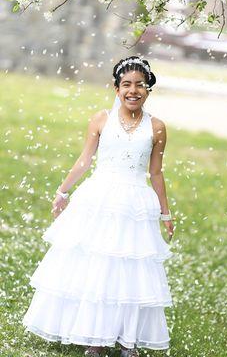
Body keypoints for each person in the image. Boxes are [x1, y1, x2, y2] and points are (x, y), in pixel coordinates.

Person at [22, 56, 175, 357]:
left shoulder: (156, 128)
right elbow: (85, 160)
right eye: (126, 85)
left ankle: (127, 339)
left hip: (134, 203)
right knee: (98, 266)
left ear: (148, 89)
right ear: (116, 89)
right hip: (99, 198)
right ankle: (95, 336)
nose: (133, 91)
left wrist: (165, 213)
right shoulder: (101, 119)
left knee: (128, 268)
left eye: (140, 85)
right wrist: (62, 192)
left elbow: (156, 172)